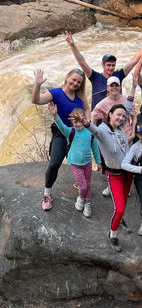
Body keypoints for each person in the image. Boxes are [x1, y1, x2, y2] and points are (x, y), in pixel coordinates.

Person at [69, 79, 136, 253]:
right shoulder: (103, 131)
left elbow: (127, 107)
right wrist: (84, 122)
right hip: (114, 175)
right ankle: (112, 234)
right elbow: (94, 130)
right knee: (119, 208)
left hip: (128, 173)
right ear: (109, 116)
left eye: (123, 116)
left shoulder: (121, 128)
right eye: (117, 116)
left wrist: (134, 86)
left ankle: (119, 220)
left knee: (123, 205)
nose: (121, 118)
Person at [32, 68, 90, 211]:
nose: (76, 83)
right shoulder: (56, 93)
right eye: (74, 79)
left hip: (78, 134)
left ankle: (82, 188)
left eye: (79, 82)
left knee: (84, 163)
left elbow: (87, 109)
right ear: (67, 77)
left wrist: (88, 122)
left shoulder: (80, 97)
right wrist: (37, 84)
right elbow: (36, 100)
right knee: (54, 164)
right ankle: (47, 193)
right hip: (61, 133)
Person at [65, 30, 142, 109]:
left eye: (113, 65)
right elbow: (82, 62)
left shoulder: (118, 76)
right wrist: (73, 46)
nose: (111, 68)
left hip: (115, 118)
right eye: (108, 65)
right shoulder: (95, 77)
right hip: (98, 120)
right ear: (102, 65)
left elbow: (133, 61)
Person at [48, 102, 101, 218]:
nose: (77, 124)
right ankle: (81, 198)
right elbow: (61, 125)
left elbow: (95, 147)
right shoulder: (71, 131)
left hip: (87, 163)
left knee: (88, 184)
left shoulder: (90, 132)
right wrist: (55, 115)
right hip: (75, 163)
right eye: (75, 122)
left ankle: (88, 203)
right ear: (72, 122)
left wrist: (98, 162)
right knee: (83, 186)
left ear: (85, 119)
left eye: (79, 121)